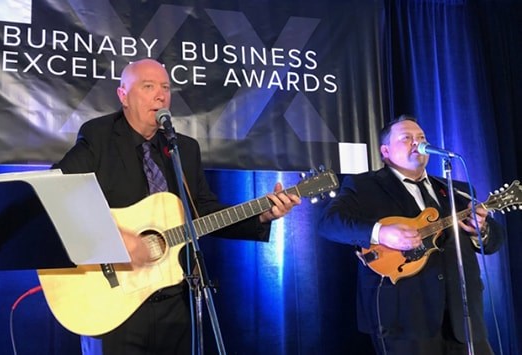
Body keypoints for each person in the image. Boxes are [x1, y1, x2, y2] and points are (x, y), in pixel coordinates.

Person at [55, 58, 301, 355]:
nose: (161, 95)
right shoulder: (99, 136)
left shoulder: (183, 148)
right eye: (148, 87)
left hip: (175, 303)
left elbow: (202, 213)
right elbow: (57, 193)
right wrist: (116, 236)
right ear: (123, 96)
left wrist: (262, 214)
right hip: (114, 305)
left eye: (166, 87)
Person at [317, 115, 505, 355]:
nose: (417, 142)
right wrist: (380, 232)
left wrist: (484, 230)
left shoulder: (457, 190)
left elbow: (494, 241)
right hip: (404, 320)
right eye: (407, 138)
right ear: (385, 150)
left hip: (464, 320)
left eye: (421, 138)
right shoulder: (363, 186)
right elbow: (328, 223)